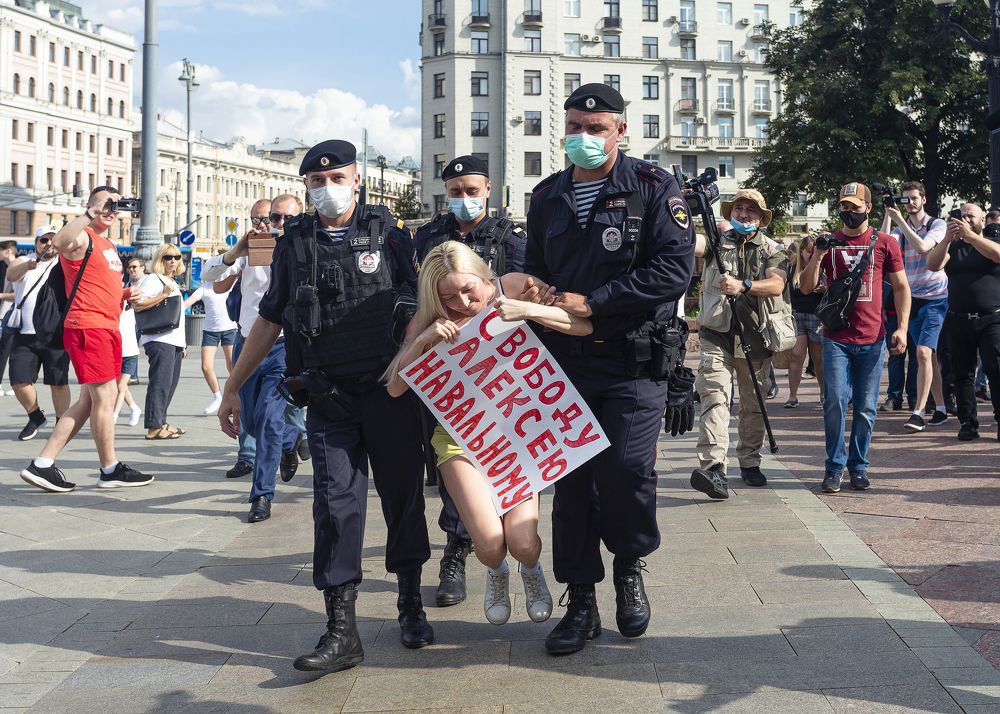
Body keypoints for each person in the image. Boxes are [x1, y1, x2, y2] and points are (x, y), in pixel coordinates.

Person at [217, 140, 433, 672]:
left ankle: (409, 600)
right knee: (335, 509)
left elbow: (425, 305)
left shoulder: (390, 236)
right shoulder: (296, 245)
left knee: (403, 498)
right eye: (316, 181)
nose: (326, 188)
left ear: (356, 179)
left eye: (335, 177)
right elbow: (268, 320)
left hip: (391, 393)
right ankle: (341, 629)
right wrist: (231, 388)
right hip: (329, 397)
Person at [524, 84, 695, 656]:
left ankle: (629, 563)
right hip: (564, 363)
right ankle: (581, 601)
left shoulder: (652, 188)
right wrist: (538, 291)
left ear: (621, 131)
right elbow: (536, 269)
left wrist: (595, 300)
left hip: (631, 360)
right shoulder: (547, 195)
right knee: (570, 485)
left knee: (625, 474)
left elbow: (674, 271)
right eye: (574, 127)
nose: (584, 138)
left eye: (596, 129)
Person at [384, 241, 583, 625]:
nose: (461, 302)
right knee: (490, 546)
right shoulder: (431, 318)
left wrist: (529, 309)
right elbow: (394, 387)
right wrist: (425, 341)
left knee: (524, 544)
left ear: (483, 276)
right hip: (460, 440)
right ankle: (496, 573)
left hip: (522, 436)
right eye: (448, 296)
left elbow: (580, 325)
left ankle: (530, 569)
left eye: (468, 290)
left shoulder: (514, 286)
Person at [412, 154, 528, 608]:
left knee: (508, 465)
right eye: (455, 192)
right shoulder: (426, 239)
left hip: (504, 372)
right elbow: (409, 295)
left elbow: (530, 291)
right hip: (448, 374)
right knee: (454, 469)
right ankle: (456, 551)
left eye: (471, 191)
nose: (463, 199)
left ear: (489, 190)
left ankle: (516, 554)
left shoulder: (512, 239)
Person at [18, 186, 154, 493]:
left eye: (116, 205)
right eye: (105, 203)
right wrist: (91, 214)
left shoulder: (107, 243)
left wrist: (123, 295)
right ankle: (110, 469)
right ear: (90, 205)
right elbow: (60, 242)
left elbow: (97, 284)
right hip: (89, 327)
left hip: (105, 326)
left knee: (87, 401)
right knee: (104, 399)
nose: (111, 209)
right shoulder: (83, 235)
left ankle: (42, 465)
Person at [800, 182, 909, 492]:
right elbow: (806, 287)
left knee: (865, 407)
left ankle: (858, 466)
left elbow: (901, 287)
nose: (848, 211)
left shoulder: (886, 242)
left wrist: (901, 328)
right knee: (834, 401)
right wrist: (818, 256)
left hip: (873, 338)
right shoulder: (828, 242)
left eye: (854, 206)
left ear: (868, 208)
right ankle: (834, 467)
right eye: (843, 206)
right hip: (836, 338)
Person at [202, 195, 306, 518]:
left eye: (280, 219)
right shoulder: (252, 252)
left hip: (282, 347)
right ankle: (290, 441)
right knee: (251, 420)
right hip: (248, 344)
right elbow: (209, 276)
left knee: (271, 417)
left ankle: (262, 494)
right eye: (265, 219)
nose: (272, 226)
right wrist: (238, 251)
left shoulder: (303, 249)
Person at [689, 189, 789, 498]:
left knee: (752, 404)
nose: (743, 214)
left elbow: (776, 284)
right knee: (715, 398)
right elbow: (692, 243)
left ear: (761, 217)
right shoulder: (717, 242)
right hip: (716, 334)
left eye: (750, 210)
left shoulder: (774, 248)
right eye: (738, 208)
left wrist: (744, 286)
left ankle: (749, 461)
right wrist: (679, 207)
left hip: (755, 337)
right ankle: (714, 468)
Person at [926, 203, 1000, 441]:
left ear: (981, 221)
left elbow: (996, 255)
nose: (966, 219)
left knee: (996, 370)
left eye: (971, 216)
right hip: (959, 318)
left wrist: (971, 237)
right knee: (962, 373)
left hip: (992, 319)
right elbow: (933, 264)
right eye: (962, 215)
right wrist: (948, 238)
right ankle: (968, 422)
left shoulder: (991, 242)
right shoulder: (953, 246)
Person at [881, 182, 949, 431]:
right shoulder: (901, 225)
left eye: (913, 198)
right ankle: (940, 408)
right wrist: (888, 214)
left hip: (935, 298)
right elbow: (885, 242)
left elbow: (922, 247)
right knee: (927, 355)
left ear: (924, 199)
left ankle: (918, 412)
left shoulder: (937, 225)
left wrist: (899, 220)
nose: (909, 203)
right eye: (905, 199)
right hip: (911, 298)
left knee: (921, 353)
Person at [6, 225, 72, 440]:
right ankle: (35, 416)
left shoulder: (64, 264)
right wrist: (28, 266)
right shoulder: (24, 261)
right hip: (25, 333)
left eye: (53, 240)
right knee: (18, 381)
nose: (49, 244)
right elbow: (11, 274)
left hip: (56, 334)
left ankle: (62, 424)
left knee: (58, 382)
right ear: (36, 242)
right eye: (44, 240)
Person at [183, 280, 239, 415]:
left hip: (230, 328)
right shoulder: (205, 288)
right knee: (206, 367)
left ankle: (236, 396)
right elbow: (186, 304)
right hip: (210, 331)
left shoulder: (231, 283)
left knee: (232, 365)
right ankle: (217, 396)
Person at [786, 234, 825, 407]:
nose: (811, 253)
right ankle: (792, 396)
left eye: (813, 250)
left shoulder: (821, 266)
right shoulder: (792, 268)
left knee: (818, 358)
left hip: (817, 315)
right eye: (809, 250)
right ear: (801, 252)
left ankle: (824, 393)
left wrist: (826, 290)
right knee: (796, 356)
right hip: (797, 314)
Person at [112, 301, 142, 426]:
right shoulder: (112, 308)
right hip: (116, 352)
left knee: (120, 386)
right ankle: (134, 408)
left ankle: (113, 416)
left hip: (130, 353)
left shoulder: (132, 308)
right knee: (120, 385)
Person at [0, 239, 19, 396]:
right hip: (6, 315)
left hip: (13, 316)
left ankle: (15, 384)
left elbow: (19, 294)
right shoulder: (5, 267)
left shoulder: (18, 267)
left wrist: (2, 295)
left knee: (6, 351)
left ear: (7, 251)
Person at [123, 257, 145, 385]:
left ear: (142, 268)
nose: (131, 270)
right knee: (131, 345)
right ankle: (132, 375)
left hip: (147, 319)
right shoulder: (128, 284)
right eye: (130, 267)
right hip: (132, 320)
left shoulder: (148, 282)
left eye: (134, 267)